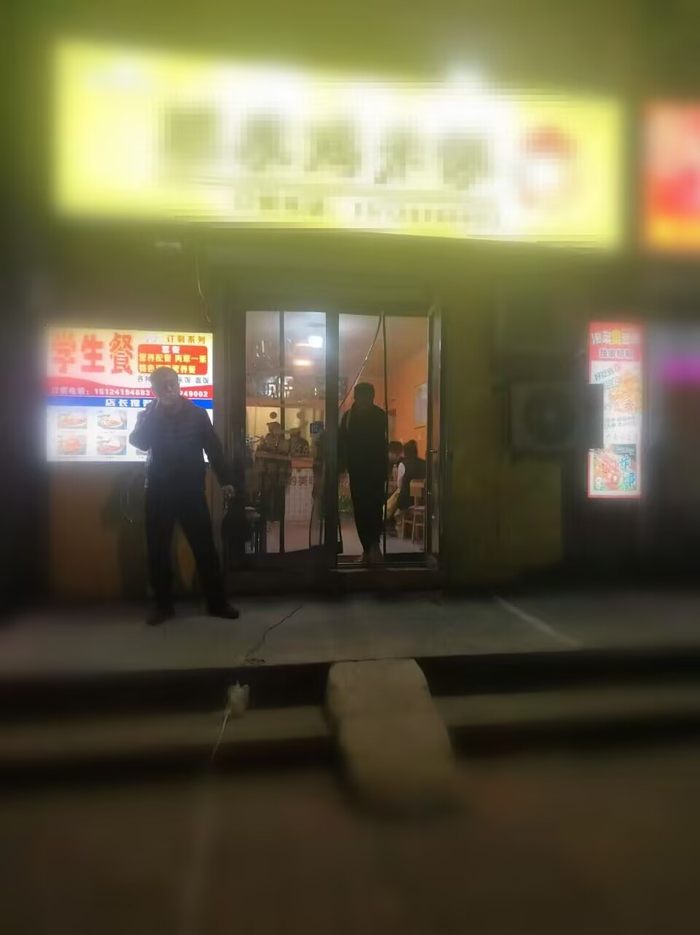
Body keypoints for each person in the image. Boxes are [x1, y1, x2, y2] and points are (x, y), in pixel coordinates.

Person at [129, 367, 239, 626]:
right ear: (154, 390)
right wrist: (154, 413)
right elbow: (139, 442)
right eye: (161, 385)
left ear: (179, 384)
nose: (168, 389)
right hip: (158, 491)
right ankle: (163, 606)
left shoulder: (197, 414)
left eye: (171, 383)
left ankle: (217, 603)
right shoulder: (148, 414)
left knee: (205, 549)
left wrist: (226, 480)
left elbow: (214, 449)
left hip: (191, 491)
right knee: (158, 550)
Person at [338, 382, 388, 565]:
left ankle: (373, 548)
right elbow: (342, 441)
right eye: (364, 396)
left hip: (371, 471)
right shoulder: (351, 416)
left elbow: (344, 441)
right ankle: (370, 550)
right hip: (363, 470)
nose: (366, 400)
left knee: (371, 509)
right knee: (364, 510)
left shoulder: (373, 416)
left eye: (368, 397)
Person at [393, 439, 427, 517]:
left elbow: (399, 485)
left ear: (405, 452)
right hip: (422, 500)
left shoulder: (402, 464)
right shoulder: (424, 463)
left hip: (406, 500)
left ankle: (392, 517)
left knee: (395, 497)